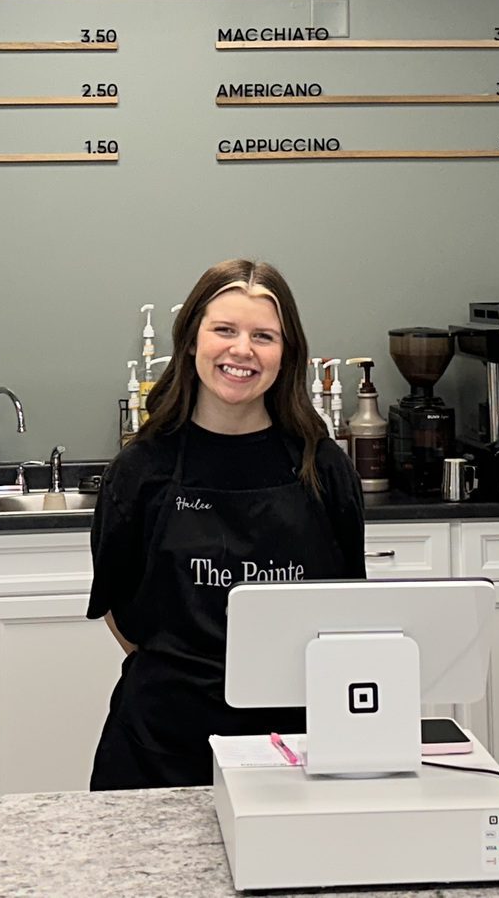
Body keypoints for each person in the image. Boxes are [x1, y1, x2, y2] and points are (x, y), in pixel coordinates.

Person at [86, 258, 366, 790]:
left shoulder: (323, 466)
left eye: (263, 336)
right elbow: (117, 611)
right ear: (192, 341)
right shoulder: (140, 469)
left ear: (286, 356)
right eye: (224, 330)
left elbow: (348, 602)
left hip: (297, 745)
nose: (242, 350)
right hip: (161, 744)